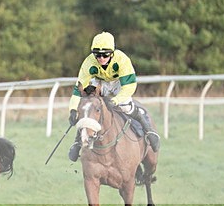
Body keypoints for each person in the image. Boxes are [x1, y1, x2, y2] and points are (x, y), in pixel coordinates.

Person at [67, 31, 160, 161]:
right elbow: (79, 89)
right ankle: (78, 141)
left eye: (105, 54)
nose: (101, 58)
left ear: (112, 52)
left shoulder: (122, 60)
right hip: (100, 83)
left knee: (125, 106)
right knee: (89, 107)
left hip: (119, 83)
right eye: (97, 55)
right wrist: (72, 109)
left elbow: (129, 87)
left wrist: (116, 100)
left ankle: (148, 130)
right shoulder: (88, 63)